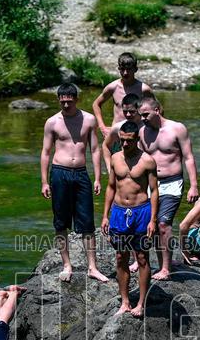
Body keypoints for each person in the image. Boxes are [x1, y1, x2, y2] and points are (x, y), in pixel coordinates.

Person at [41, 83, 109, 283]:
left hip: (81, 173)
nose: (66, 104)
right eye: (62, 101)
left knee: (87, 222)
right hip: (59, 173)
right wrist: (44, 181)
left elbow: (95, 150)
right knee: (61, 222)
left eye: (69, 101)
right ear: (58, 100)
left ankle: (92, 267)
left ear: (76, 99)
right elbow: (45, 152)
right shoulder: (52, 122)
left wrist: (97, 177)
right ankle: (66, 265)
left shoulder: (88, 119)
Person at [101, 121, 159, 318]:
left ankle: (141, 303)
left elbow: (154, 191)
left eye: (129, 141)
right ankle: (125, 301)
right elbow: (110, 187)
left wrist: (153, 219)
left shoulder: (148, 161)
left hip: (140, 212)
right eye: (122, 140)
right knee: (120, 257)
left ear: (137, 139)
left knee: (142, 258)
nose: (125, 145)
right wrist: (105, 216)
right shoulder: (115, 158)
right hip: (118, 212)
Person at [138, 94, 199, 280]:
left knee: (164, 224)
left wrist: (193, 185)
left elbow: (188, 157)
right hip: (150, 183)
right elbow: (140, 159)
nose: (143, 119)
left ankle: (166, 268)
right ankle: (157, 263)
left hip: (172, 182)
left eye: (145, 114)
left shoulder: (177, 129)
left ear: (157, 110)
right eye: (141, 115)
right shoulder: (142, 132)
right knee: (152, 226)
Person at [92, 52, 153, 140]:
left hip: (137, 134)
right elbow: (96, 104)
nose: (125, 73)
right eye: (122, 69)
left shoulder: (144, 89)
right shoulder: (113, 87)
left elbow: (157, 109)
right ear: (119, 69)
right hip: (117, 133)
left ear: (135, 69)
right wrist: (102, 127)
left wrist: (152, 129)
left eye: (128, 69)